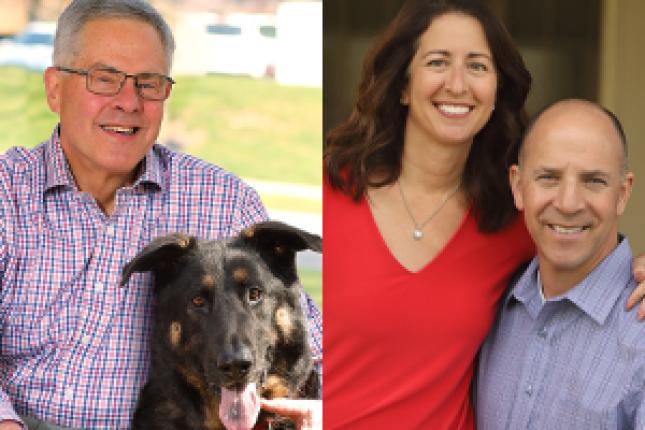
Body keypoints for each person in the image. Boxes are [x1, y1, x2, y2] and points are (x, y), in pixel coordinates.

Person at [323, 0, 645, 428]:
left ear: (496, 91)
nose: (458, 84)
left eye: (477, 66)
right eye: (438, 62)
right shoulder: (331, 191)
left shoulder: (512, 222)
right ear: (402, 84)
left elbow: (587, 244)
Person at [0, 1, 321, 429]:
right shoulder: (8, 195)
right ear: (55, 88)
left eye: (149, 84)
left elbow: (310, 341)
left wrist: (327, 410)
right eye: (105, 79)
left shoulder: (223, 201)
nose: (129, 102)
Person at [476, 99, 644, 429]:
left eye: (593, 180)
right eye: (549, 177)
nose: (568, 204)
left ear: (623, 193)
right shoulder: (490, 308)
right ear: (518, 186)